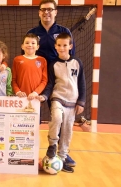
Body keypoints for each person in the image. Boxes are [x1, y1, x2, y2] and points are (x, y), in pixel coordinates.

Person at [26, 0, 76, 166]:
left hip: (58, 81)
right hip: (37, 81)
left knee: (59, 118)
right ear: (39, 12)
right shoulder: (32, 32)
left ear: (56, 12)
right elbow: (26, 56)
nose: (46, 12)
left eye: (50, 9)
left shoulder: (63, 31)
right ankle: (27, 152)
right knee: (32, 117)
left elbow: (71, 57)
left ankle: (61, 153)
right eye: (43, 9)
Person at [38, 33, 86, 173]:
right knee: (57, 119)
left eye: (65, 45)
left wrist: (81, 102)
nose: (62, 48)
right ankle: (52, 145)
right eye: (59, 45)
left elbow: (81, 83)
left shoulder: (77, 63)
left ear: (70, 46)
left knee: (67, 131)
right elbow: (50, 84)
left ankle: (62, 158)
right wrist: (45, 96)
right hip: (57, 98)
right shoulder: (53, 64)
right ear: (55, 46)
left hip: (72, 102)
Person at [12, 33, 47, 100]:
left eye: (33, 43)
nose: (30, 45)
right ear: (22, 46)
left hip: (36, 98)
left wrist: (35, 93)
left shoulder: (42, 60)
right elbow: (13, 80)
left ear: (37, 47)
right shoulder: (17, 60)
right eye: (27, 43)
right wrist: (18, 92)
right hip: (20, 98)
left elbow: (44, 80)